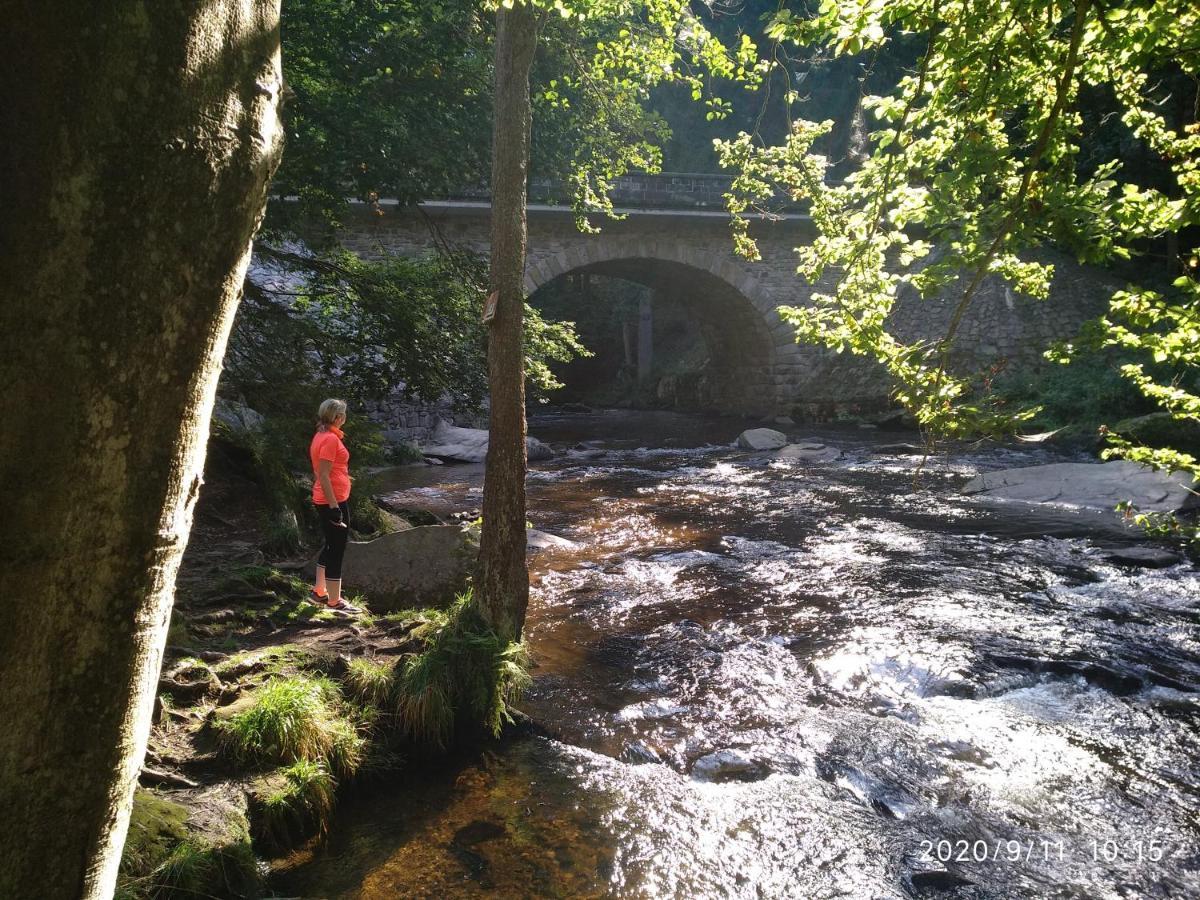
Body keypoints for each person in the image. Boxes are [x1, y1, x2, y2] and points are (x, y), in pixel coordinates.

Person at [309, 398, 360, 613]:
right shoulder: (329, 439)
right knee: (337, 549)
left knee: (330, 544)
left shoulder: (321, 434)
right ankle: (334, 601)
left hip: (330, 499)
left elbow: (319, 472)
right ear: (338, 417)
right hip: (332, 501)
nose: (345, 418)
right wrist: (334, 507)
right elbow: (323, 474)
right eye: (344, 414)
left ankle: (319, 591)